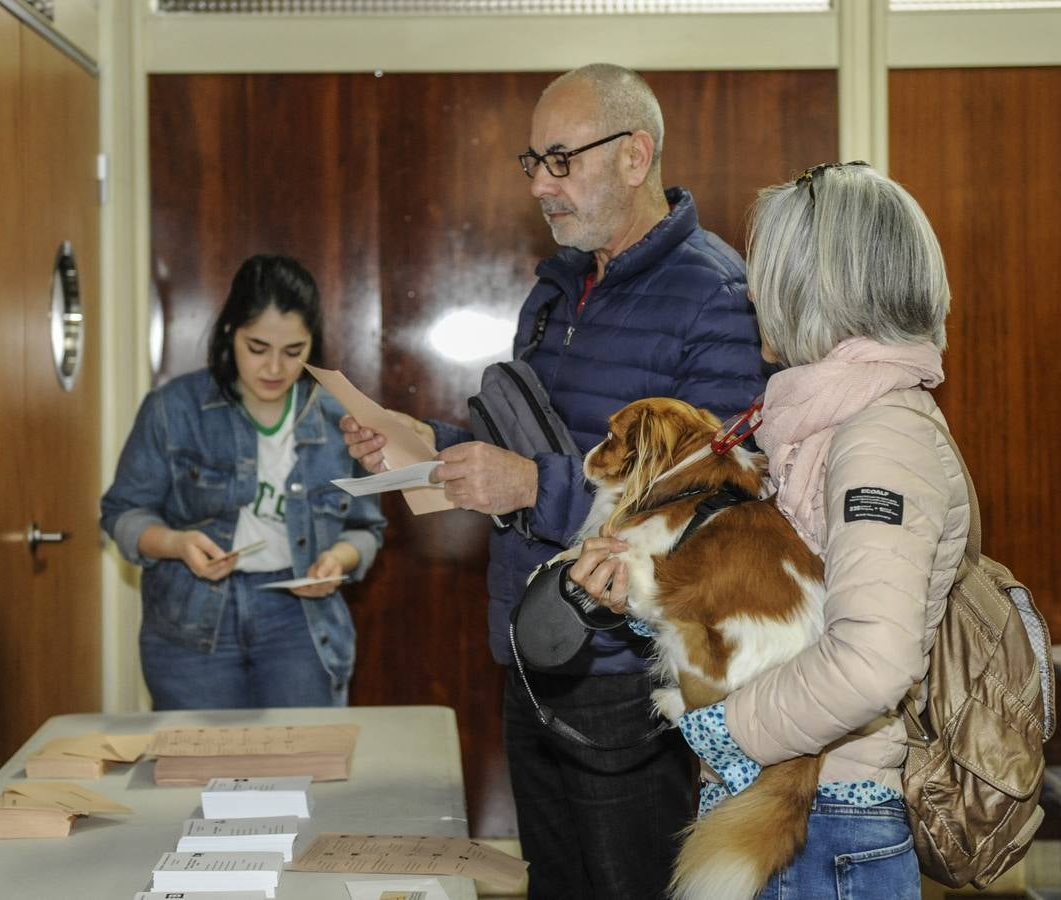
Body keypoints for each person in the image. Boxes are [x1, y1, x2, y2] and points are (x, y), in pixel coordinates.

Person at [342, 64, 765, 899]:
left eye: (561, 160)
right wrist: (427, 445)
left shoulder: (715, 295)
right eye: (531, 162)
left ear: (635, 156)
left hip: (625, 667)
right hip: (531, 650)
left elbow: (714, 504)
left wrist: (533, 486)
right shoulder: (558, 283)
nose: (540, 184)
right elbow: (537, 449)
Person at [572, 161, 970, 899]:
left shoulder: (880, 439)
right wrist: (643, 599)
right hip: (794, 799)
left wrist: (726, 732)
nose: (753, 293)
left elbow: (872, 662)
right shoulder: (823, 424)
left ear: (816, 288)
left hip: (827, 823)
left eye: (767, 273)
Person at [101, 254, 386, 710]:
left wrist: (338, 559)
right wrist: (177, 544)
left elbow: (366, 529)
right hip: (190, 622)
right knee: (199, 771)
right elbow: (120, 515)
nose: (275, 368)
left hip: (300, 621)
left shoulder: (341, 420)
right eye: (257, 348)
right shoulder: (173, 409)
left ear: (313, 344)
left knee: (302, 766)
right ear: (230, 332)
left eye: (293, 351)